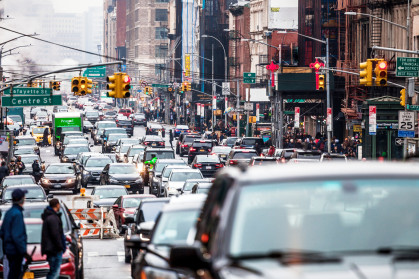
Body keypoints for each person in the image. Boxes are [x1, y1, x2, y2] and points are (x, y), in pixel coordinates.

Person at [0, 189, 30, 279]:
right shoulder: (17, 214)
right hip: (15, 252)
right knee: (15, 275)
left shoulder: (9, 213)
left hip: (9, 251)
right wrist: (24, 252)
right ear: (21, 199)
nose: (25, 198)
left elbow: (2, 232)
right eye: (24, 197)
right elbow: (17, 236)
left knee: (12, 274)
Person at [41, 199, 66, 279]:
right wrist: (60, 247)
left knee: (53, 272)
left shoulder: (50, 217)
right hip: (54, 250)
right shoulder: (53, 218)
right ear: (57, 205)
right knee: (54, 273)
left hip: (52, 249)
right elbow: (55, 234)